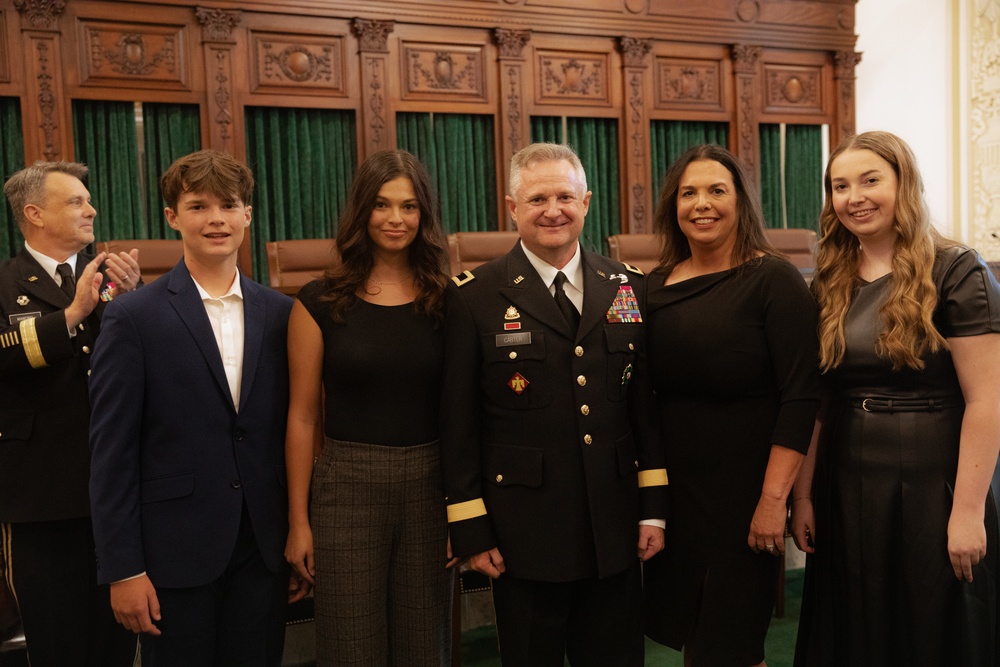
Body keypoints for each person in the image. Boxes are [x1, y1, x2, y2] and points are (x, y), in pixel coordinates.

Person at [440, 142, 668, 666]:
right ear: (512, 208)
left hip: (612, 527)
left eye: (565, 196)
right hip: (524, 532)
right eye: (537, 198)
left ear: (586, 202)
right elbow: (459, 423)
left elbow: (644, 410)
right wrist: (471, 527)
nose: (553, 210)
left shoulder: (627, 286)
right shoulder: (475, 296)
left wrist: (653, 509)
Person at [791, 131, 1000, 666]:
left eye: (869, 180)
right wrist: (805, 495)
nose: (853, 196)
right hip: (848, 475)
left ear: (903, 183)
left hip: (937, 478)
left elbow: (988, 399)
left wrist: (968, 511)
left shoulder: (957, 269)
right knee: (857, 623)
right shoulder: (830, 281)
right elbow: (818, 400)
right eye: (840, 186)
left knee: (933, 624)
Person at [88, 149, 296, 666]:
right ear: (172, 218)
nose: (216, 220)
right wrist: (123, 569)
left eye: (229, 205)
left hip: (262, 551)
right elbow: (111, 454)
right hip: (170, 558)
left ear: (248, 214)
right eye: (199, 206)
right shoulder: (133, 317)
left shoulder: (283, 313)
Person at [641, 144, 821, 667]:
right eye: (688, 192)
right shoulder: (653, 286)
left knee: (734, 645)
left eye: (717, 190)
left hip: (745, 493)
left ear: (740, 201)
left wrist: (773, 501)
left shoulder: (774, 280)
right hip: (678, 494)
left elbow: (801, 396)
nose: (702, 204)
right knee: (699, 635)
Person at [284, 150, 453, 664]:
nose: (395, 219)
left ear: (424, 215)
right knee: (349, 645)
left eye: (408, 206)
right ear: (362, 211)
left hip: (431, 485)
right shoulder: (318, 301)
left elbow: (464, 410)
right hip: (345, 489)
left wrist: (463, 510)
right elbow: (302, 417)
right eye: (381, 205)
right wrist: (299, 521)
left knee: (425, 645)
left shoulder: (449, 300)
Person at [0, 160, 141, 667]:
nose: (92, 209)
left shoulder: (109, 280)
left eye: (88, 199)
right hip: (41, 495)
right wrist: (73, 314)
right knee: (58, 642)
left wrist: (134, 304)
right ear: (34, 214)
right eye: (76, 201)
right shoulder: (4, 283)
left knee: (116, 642)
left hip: (115, 490)